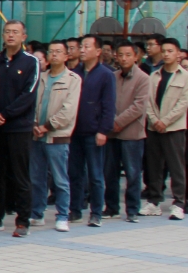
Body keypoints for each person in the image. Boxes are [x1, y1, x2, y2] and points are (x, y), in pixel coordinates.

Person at [0, 20, 39, 231]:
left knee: (20, 174)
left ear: (23, 37)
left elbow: (28, 94)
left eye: (15, 32)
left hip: (19, 127)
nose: (10, 35)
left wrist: (6, 114)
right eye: (7, 31)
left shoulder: (31, 62)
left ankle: (23, 219)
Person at [30, 42, 80, 233]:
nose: (54, 55)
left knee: (60, 179)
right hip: (37, 136)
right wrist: (35, 124)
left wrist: (47, 126)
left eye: (59, 52)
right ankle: (37, 213)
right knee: (37, 178)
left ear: (66, 56)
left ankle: (62, 216)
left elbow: (68, 110)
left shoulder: (73, 80)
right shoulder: (40, 77)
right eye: (51, 52)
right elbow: (32, 103)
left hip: (57, 137)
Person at [68, 34, 116, 226]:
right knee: (74, 173)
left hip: (94, 131)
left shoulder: (106, 74)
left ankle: (96, 212)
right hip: (74, 131)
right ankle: (75, 209)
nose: (82, 50)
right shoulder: (74, 73)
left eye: (87, 46)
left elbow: (109, 105)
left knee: (95, 175)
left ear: (98, 51)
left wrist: (104, 130)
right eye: (81, 46)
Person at [143, 38, 188, 219]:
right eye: (164, 51)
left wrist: (165, 121)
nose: (167, 54)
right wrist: (155, 120)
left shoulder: (185, 76)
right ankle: (154, 201)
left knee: (176, 166)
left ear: (178, 54)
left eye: (170, 51)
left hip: (174, 128)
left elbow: (183, 103)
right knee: (154, 166)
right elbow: (148, 101)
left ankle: (179, 203)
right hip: (154, 127)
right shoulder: (154, 76)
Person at [106, 41, 149, 222]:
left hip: (132, 133)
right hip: (112, 133)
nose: (124, 58)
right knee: (110, 172)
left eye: (128, 55)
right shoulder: (112, 77)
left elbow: (139, 106)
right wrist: (111, 121)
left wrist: (118, 122)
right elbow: (107, 101)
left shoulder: (143, 78)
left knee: (132, 173)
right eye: (121, 55)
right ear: (116, 56)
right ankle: (111, 207)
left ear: (136, 57)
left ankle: (132, 209)